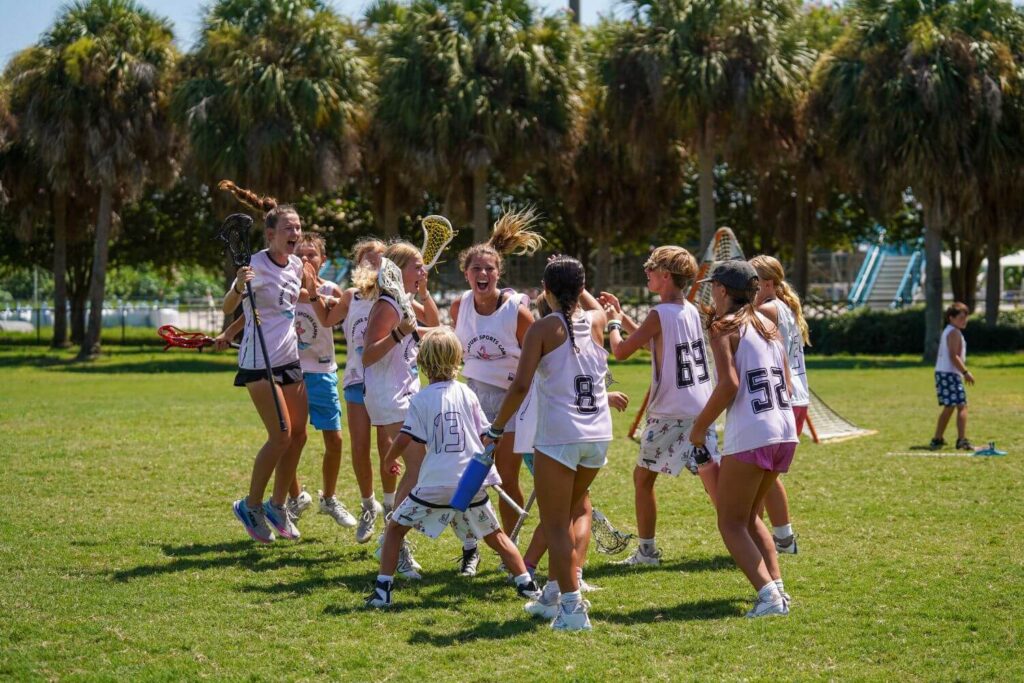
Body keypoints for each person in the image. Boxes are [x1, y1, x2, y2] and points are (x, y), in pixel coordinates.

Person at [365, 327, 542, 607]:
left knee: (395, 530)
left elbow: (404, 438)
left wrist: (388, 459)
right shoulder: (468, 394)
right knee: (495, 536)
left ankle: (382, 592)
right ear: (458, 358)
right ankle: (528, 586)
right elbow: (487, 435)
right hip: (469, 484)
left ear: (422, 362)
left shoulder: (420, 398)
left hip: (434, 483)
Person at [484, 256, 611, 632]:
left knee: (556, 524)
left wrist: (495, 428)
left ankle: (573, 608)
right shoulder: (598, 320)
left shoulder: (544, 327)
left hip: (560, 435)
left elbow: (520, 386)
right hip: (597, 437)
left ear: (546, 290)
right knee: (569, 514)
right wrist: (578, 284)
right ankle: (553, 593)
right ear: (582, 286)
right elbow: (597, 309)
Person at [218, 180, 326, 544]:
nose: (295, 233)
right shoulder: (254, 266)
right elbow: (231, 307)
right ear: (270, 234)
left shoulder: (296, 265)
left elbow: (293, 304)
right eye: (288, 228)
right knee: (279, 435)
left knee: (299, 435)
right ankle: (250, 505)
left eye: (298, 227)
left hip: (289, 359)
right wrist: (237, 286)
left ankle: (278, 505)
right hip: (257, 361)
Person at [689, 260, 797, 618]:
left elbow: (729, 384)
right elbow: (787, 379)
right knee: (750, 517)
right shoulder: (769, 324)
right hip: (784, 429)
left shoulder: (723, 326)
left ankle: (767, 596)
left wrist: (699, 428)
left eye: (712, 287)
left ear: (722, 290)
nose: (709, 293)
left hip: (754, 430)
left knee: (730, 520)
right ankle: (778, 591)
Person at [600, 246, 719, 567]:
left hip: (670, 412)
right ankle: (751, 534)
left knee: (643, 479)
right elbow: (653, 336)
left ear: (666, 276)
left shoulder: (659, 314)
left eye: (652, 268)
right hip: (700, 407)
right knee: (716, 483)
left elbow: (623, 351)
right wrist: (621, 314)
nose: (647, 273)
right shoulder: (689, 310)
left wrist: (612, 323)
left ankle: (647, 552)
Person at [450, 207, 543, 571]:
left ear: (499, 273)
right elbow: (451, 347)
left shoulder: (516, 311)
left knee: (505, 480)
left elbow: (540, 357)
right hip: (472, 400)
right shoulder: (460, 306)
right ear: (466, 274)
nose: (483, 274)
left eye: (489, 269)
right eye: (476, 269)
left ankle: (511, 546)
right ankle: (469, 548)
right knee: (465, 481)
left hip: (512, 403)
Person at [353, 240, 439, 576]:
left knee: (421, 467)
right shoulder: (388, 305)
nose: (422, 271)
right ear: (397, 270)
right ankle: (393, 540)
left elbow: (418, 331)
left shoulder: (400, 300)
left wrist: (441, 332)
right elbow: (368, 354)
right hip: (390, 397)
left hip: (403, 394)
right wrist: (399, 333)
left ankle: (395, 536)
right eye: (416, 266)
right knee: (418, 468)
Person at [320, 238, 389, 543]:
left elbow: (424, 317)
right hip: (356, 380)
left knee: (388, 449)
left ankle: (391, 509)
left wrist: (422, 291)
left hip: (387, 382)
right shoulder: (350, 297)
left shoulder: (392, 296)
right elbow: (325, 318)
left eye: (379, 261)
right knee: (360, 448)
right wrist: (311, 289)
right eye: (367, 261)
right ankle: (367, 505)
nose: (373, 267)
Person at [287, 232, 357, 530]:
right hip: (288, 372)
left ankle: (328, 498)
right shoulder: (282, 288)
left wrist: (316, 291)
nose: (305, 261)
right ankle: (294, 497)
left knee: (335, 439)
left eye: (311, 255)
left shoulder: (331, 289)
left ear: (323, 260)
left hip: (323, 371)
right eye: (299, 255)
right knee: (288, 438)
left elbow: (337, 315)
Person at [750, 255, 810, 554]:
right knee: (766, 475)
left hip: (781, 398)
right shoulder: (783, 306)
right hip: (796, 399)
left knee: (758, 474)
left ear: (768, 284)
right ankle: (781, 538)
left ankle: (758, 539)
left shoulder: (766, 310)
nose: (748, 286)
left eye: (753, 280)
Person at [930, 302, 975, 450]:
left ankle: (937, 438)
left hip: (942, 372)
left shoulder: (949, 330)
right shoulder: (954, 332)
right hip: (950, 374)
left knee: (949, 406)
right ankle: (962, 440)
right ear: (951, 318)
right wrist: (965, 372)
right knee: (962, 406)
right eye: (961, 317)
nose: (964, 320)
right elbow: (954, 355)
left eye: (966, 317)